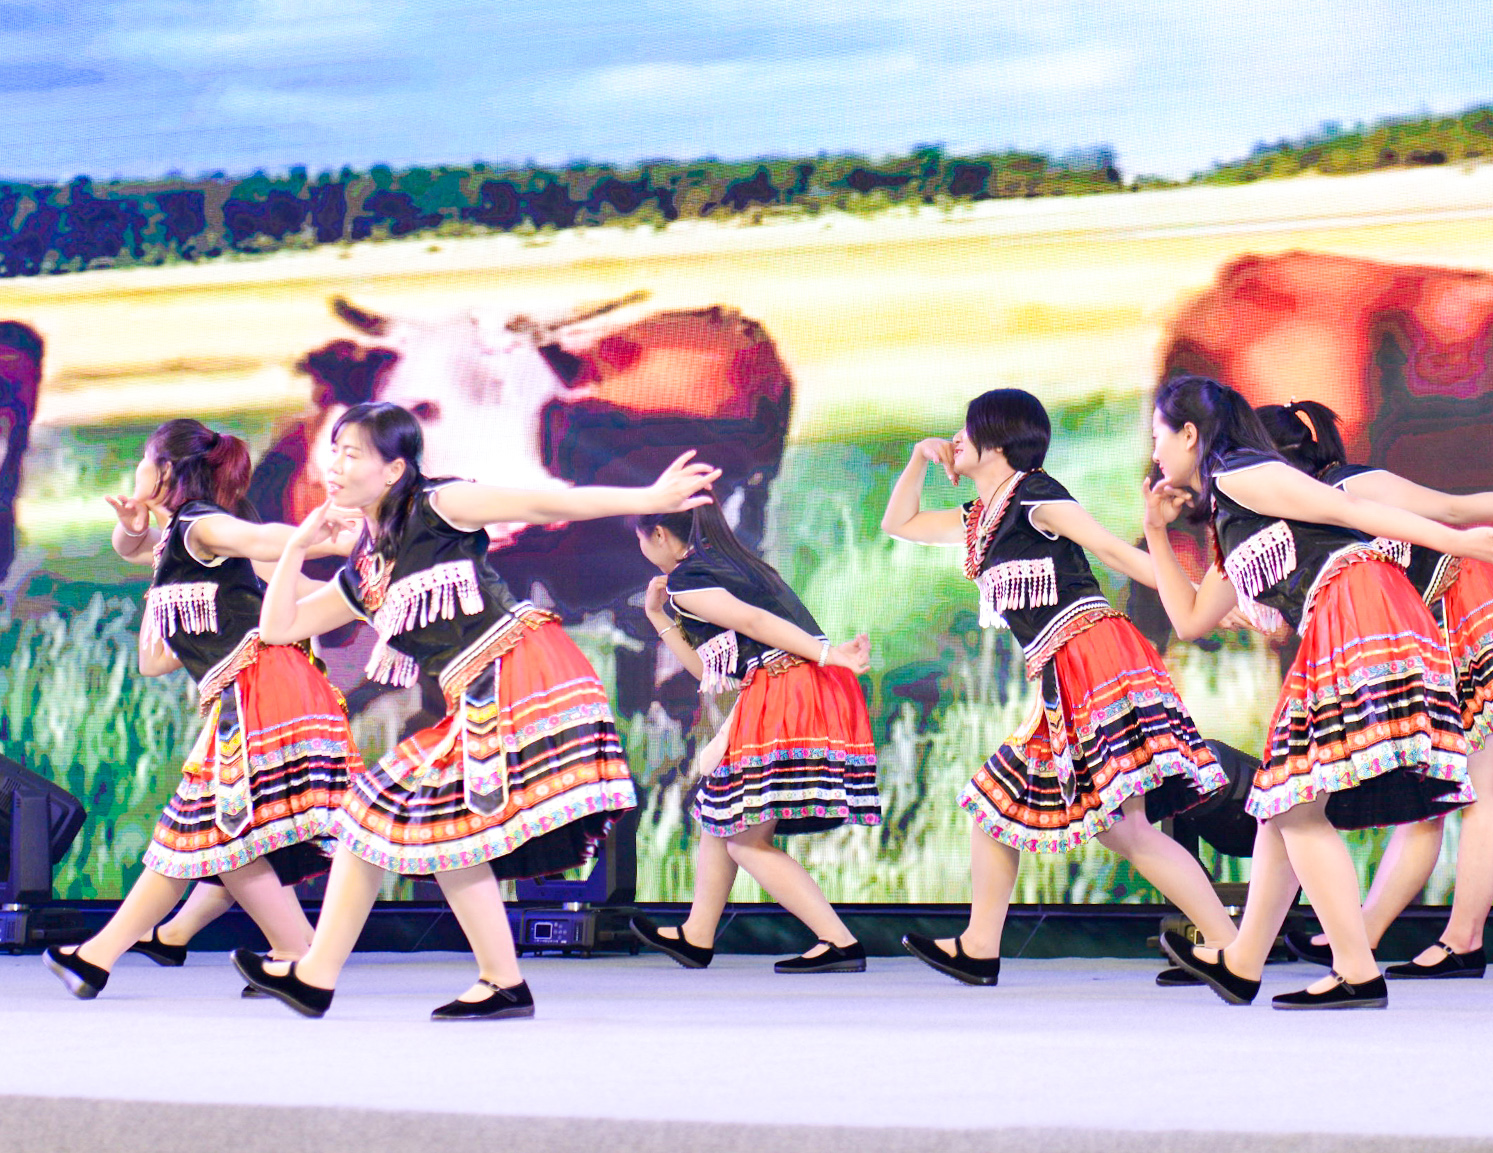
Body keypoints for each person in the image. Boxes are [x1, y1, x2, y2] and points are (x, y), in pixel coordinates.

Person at [234, 401, 715, 1020]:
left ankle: (323, 976)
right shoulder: (367, 568)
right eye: (334, 452)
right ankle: (476, 981)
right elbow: (281, 629)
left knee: (413, 822)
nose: (335, 465)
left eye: (352, 454)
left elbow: (541, 504)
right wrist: (299, 545)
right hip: (476, 692)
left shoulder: (439, 505)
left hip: (520, 672)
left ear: (393, 470)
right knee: (396, 822)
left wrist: (646, 496)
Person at [1143, 376, 1493, 1010]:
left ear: (1189, 434)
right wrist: (1157, 533)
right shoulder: (1231, 514)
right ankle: (1244, 961)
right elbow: (1188, 620)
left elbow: (1351, 513)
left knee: (1294, 802)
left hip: (1357, 610)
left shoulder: (1242, 474)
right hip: (1348, 616)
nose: (1155, 451)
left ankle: (1353, 969)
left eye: (1159, 435)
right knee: (1286, 801)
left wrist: (1459, 541)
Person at [881, 388, 1234, 987]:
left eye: (967, 429)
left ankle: (1229, 945)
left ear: (997, 440)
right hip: (1060, 671)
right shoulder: (981, 519)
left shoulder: (1035, 496)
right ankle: (979, 946)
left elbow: (1112, 550)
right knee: (1002, 807)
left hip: (1093, 657)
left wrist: (1200, 599)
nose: (956, 440)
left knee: (1120, 826)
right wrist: (918, 457)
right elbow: (900, 523)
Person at [1254, 400, 1493, 979]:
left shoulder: (1350, 484)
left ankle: (1463, 940)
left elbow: (1453, 508)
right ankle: (1362, 936)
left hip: (1472, 614)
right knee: (1430, 802)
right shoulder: (1301, 514)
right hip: (1430, 636)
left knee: (1481, 792)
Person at [44, 420, 359, 1000]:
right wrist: (131, 526)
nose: (136, 470)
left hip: (264, 690)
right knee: (204, 834)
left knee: (213, 832)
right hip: (249, 691)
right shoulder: (176, 539)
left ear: (166, 471)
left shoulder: (200, 524)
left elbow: (257, 540)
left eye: (145, 460)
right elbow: (136, 567)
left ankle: (287, 953)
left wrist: (319, 539)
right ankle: (107, 956)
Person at [625, 495, 880, 973]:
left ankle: (839, 942)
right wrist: (658, 616)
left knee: (745, 839)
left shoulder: (689, 578)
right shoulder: (738, 566)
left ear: (658, 533)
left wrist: (829, 655)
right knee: (720, 816)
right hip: (798, 686)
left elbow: (754, 623)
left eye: (640, 538)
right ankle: (697, 935)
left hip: (785, 689)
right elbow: (710, 670)